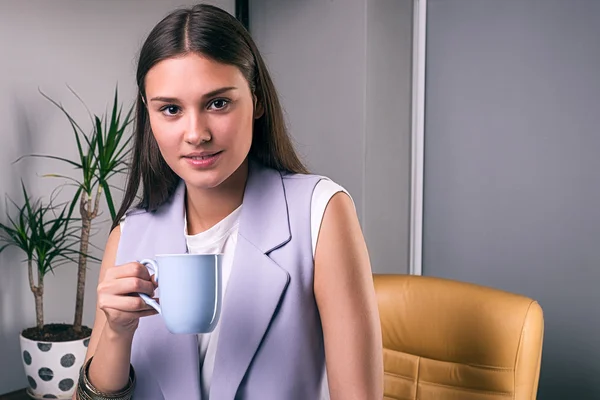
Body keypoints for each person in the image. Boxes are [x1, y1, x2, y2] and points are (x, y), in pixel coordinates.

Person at [76, 4, 383, 400]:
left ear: (255, 101)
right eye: (170, 109)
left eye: (217, 103)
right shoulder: (129, 235)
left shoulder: (321, 211)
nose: (196, 133)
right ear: (149, 116)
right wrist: (116, 332)